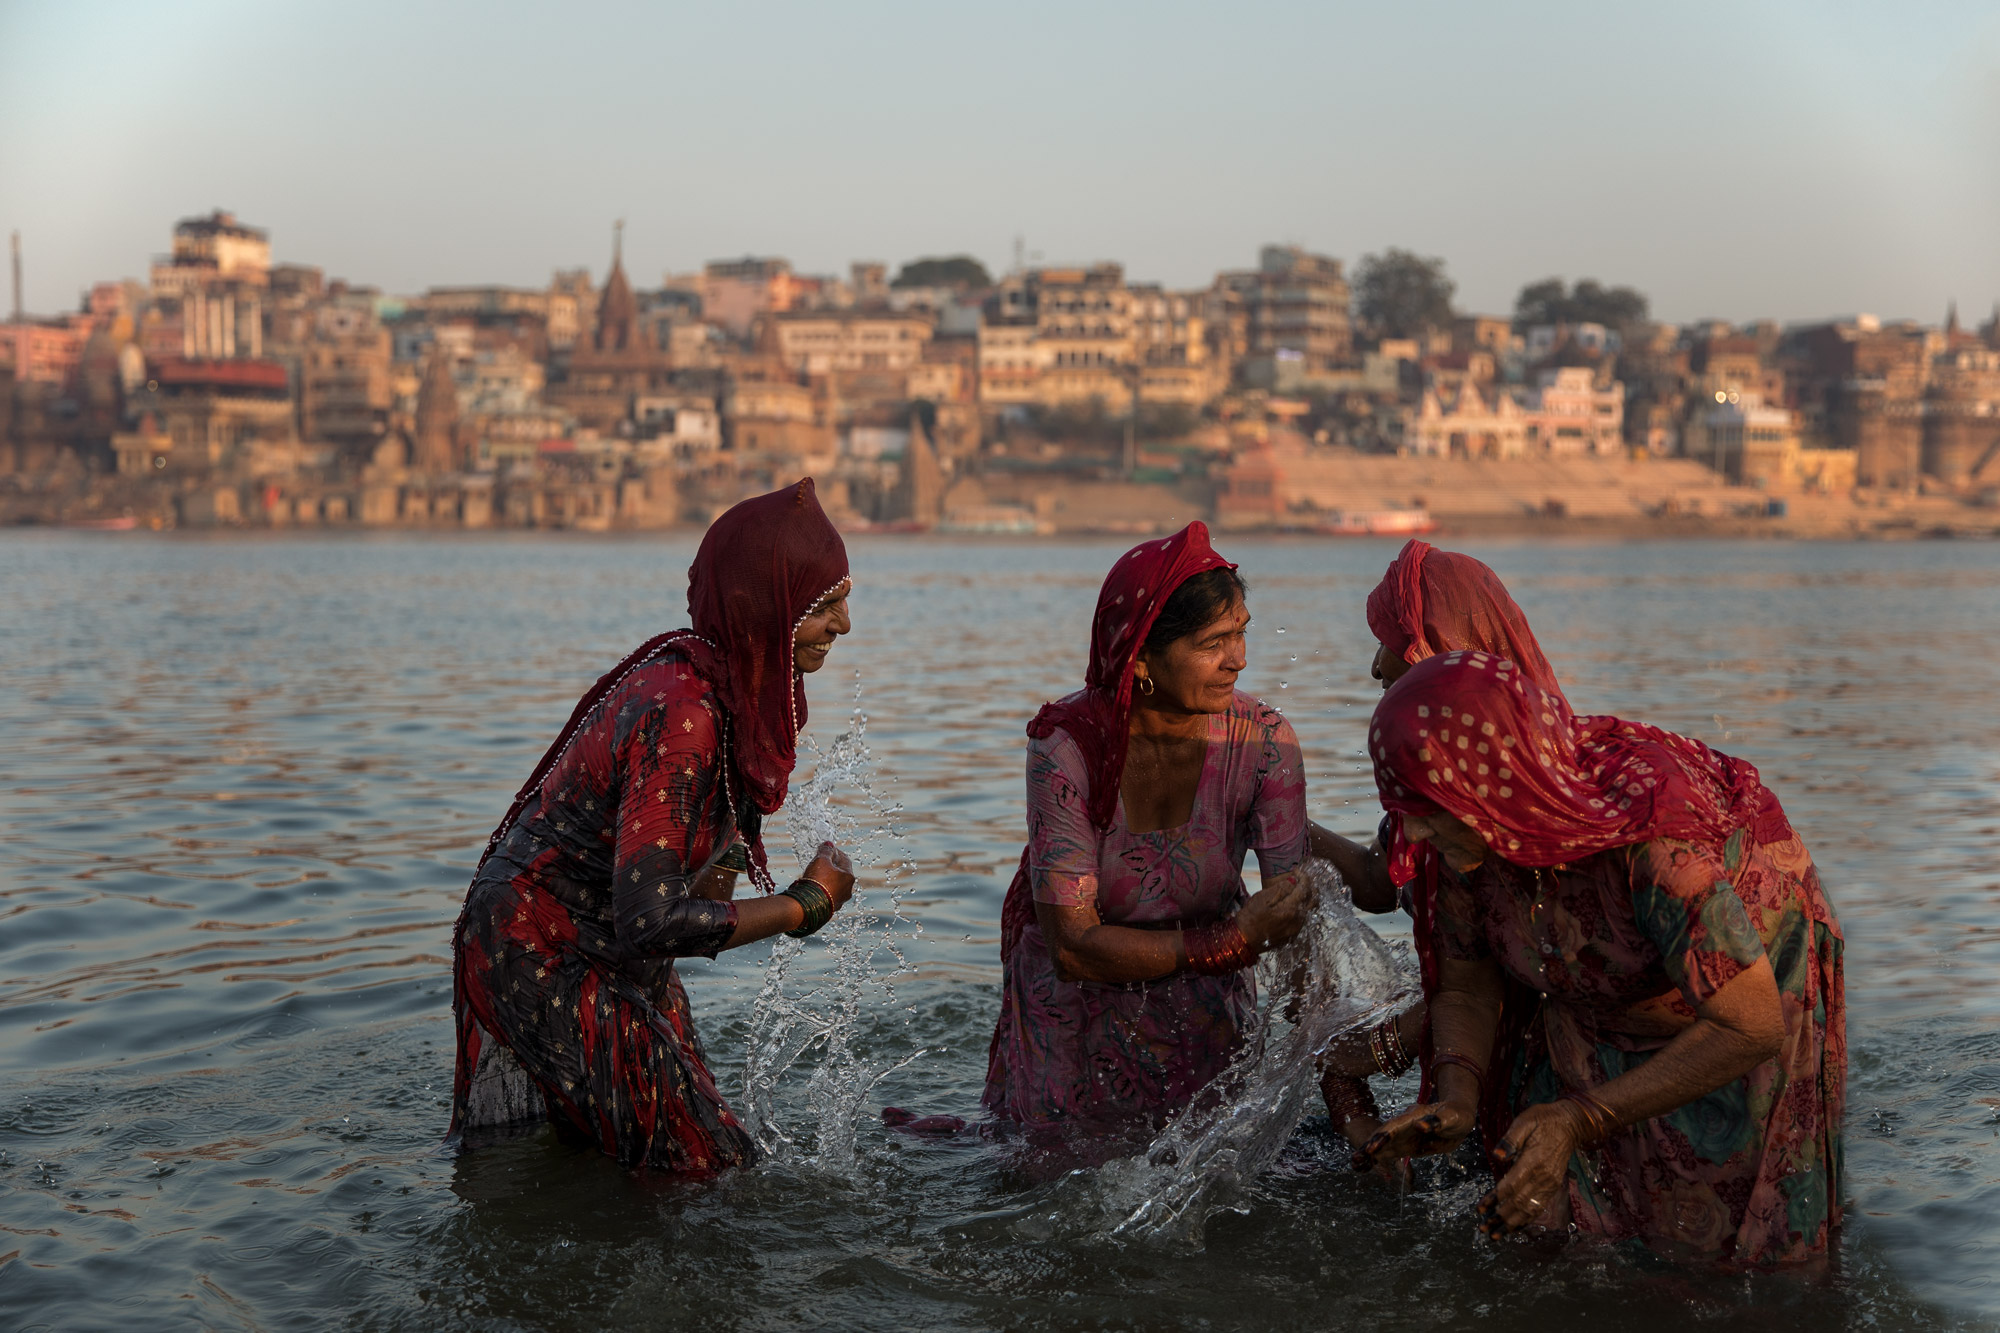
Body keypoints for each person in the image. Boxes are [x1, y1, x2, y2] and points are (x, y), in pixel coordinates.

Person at [1353, 650, 1845, 1267]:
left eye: (1429, 813)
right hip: (1597, 1001)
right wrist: (1457, 1091)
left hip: (1742, 999)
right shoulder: (1463, 850)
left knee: (1741, 1253)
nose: (1416, 837)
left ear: (1490, 787)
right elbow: (1468, 988)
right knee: (1587, 1244)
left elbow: (1751, 1023)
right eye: (1407, 815)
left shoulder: (1652, 842)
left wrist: (1579, 1119)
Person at [449, 479, 859, 1174]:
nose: (845, 625)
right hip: (536, 946)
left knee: (670, 1147)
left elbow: (694, 887)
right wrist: (804, 905)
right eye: (824, 606)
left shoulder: (743, 697)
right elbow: (653, 918)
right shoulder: (685, 711)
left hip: (612, 946)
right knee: (710, 1164)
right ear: (766, 609)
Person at [982, 522, 1314, 1134]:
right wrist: (1231, 944)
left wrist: (1339, 1081)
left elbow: (1291, 928)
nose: (1239, 659)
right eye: (1214, 642)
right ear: (1140, 659)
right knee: (1061, 1180)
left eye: (1241, 633)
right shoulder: (1067, 746)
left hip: (1206, 1003)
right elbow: (1073, 945)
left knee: (1215, 1169)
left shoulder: (1263, 740)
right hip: (1076, 1005)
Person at [1309, 540, 1565, 1151]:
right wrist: (1274, 821)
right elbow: (1383, 879)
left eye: (1390, 643)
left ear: (1437, 649)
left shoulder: (1526, 793)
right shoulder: (1430, 779)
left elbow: (1513, 985)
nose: (1375, 667)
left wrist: (1372, 1050)